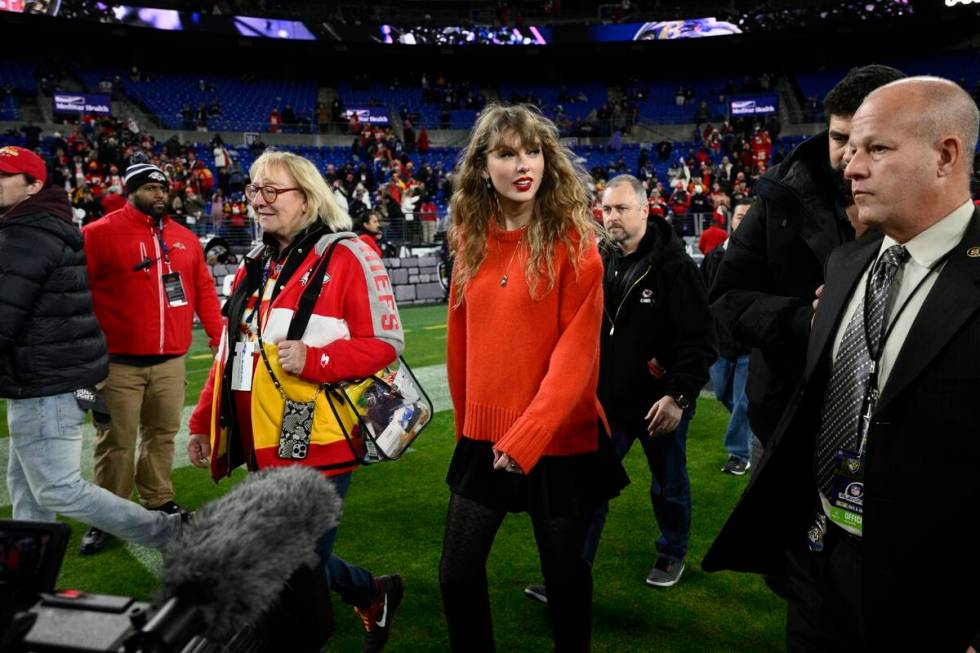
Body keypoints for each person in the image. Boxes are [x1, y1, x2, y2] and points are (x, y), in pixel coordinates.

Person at [704, 77, 980, 651]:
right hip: (819, 555)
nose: (850, 167)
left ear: (945, 155)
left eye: (875, 149)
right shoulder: (849, 261)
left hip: (933, 584)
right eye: (850, 148)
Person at [186, 150, 405, 653]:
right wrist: (203, 421)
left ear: (306, 199)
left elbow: (386, 345)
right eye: (252, 190)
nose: (257, 201)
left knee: (286, 564)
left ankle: (310, 630)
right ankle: (374, 592)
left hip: (319, 438)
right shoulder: (254, 264)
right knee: (295, 558)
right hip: (261, 440)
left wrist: (316, 359)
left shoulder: (349, 254)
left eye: (271, 191)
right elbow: (228, 353)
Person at [440, 105, 628, 651]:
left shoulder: (576, 243)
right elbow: (460, 348)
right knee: (456, 575)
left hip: (560, 440)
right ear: (481, 166)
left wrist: (529, 436)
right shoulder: (468, 240)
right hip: (486, 438)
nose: (523, 164)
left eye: (532, 151)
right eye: (506, 153)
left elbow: (577, 358)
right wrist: (468, 435)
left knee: (566, 580)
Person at [525, 174, 714, 603]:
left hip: (659, 404)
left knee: (668, 484)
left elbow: (700, 340)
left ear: (645, 210)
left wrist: (678, 395)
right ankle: (570, 574)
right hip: (607, 403)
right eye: (606, 209)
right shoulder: (596, 259)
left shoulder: (676, 267)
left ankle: (672, 553)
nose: (611, 216)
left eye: (621, 208)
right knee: (590, 488)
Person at [709, 65, 905, 456]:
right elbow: (726, 300)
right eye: (839, 138)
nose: (851, 157)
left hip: (893, 424)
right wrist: (810, 320)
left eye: (873, 144)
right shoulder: (779, 196)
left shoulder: (927, 204)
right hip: (786, 419)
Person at [0, 146, 180, 549]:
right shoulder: (41, 226)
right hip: (48, 376)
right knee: (27, 488)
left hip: (44, 380)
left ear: (33, 186)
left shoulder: (26, 234)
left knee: (56, 489)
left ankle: (172, 532)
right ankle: (25, 574)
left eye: (3, 176)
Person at [79, 158, 224, 555]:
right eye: (149, 188)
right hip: (117, 363)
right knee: (116, 440)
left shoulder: (185, 238)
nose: (159, 194)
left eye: (163, 188)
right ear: (131, 191)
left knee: (162, 435)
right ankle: (106, 514)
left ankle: (158, 498)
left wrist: (217, 336)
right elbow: (76, 294)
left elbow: (203, 290)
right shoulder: (99, 233)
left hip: (170, 361)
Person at [701, 199, 753, 475]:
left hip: (749, 344)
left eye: (749, 217)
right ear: (731, 221)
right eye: (739, 216)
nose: (743, 222)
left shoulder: (762, 256)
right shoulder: (713, 257)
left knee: (743, 401)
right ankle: (753, 427)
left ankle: (739, 455)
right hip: (720, 343)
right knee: (722, 392)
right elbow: (701, 296)